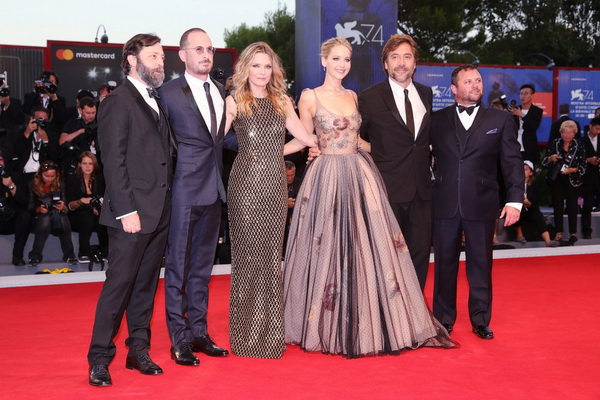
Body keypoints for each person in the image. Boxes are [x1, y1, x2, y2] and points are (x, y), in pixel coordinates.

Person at [283, 37, 454, 358]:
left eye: (346, 59)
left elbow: (360, 141)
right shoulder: (309, 97)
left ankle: (372, 315)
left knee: (365, 249)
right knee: (326, 247)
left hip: (361, 175)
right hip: (327, 178)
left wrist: (396, 153)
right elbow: (303, 137)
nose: (341, 64)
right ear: (324, 61)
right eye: (336, 59)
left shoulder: (352, 96)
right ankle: (324, 319)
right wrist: (269, 151)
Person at [87, 33, 174, 387]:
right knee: (118, 287)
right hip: (132, 214)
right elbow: (112, 161)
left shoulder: (157, 99)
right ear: (132, 60)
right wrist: (126, 211)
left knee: (145, 287)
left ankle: (138, 350)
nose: (161, 62)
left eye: (162, 57)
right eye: (154, 56)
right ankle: (98, 358)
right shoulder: (117, 102)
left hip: (160, 210)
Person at [223, 41, 316, 359]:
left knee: (271, 258)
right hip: (245, 187)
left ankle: (271, 334)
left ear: (273, 70)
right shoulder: (235, 100)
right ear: (245, 68)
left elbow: (304, 138)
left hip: (275, 187)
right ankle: (244, 336)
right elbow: (213, 136)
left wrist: (274, 150)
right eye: (256, 65)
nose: (262, 72)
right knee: (248, 259)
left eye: (267, 66)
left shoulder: (281, 102)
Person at [430, 64, 524, 340]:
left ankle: (481, 318)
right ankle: (443, 319)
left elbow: (512, 162)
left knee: (481, 264)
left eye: (478, 80)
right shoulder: (436, 120)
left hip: (482, 203)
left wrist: (515, 200)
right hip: (444, 202)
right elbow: (421, 155)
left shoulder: (500, 119)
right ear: (454, 89)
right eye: (468, 81)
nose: (475, 85)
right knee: (445, 263)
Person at [158, 27, 229, 367]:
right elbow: (161, 144)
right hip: (184, 190)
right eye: (198, 49)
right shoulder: (167, 93)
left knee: (202, 269)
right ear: (182, 55)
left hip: (214, 191)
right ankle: (179, 338)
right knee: (177, 269)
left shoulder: (221, 91)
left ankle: (199, 332)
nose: (206, 55)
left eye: (210, 49)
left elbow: (223, 141)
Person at [358, 34, 433, 291]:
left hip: (422, 190)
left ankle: (416, 314)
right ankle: (389, 317)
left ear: (415, 64)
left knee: (420, 253)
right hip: (386, 189)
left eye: (407, 57)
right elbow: (354, 138)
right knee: (387, 256)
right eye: (395, 57)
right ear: (386, 64)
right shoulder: (369, 97)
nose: (401, 63)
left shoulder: (426, 93)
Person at [542, 120, 586, 244]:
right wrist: (551, 158)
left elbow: (583, 165)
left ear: (574, 133)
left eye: (570, 133)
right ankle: (559, 232)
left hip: (573, 179)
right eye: (565, 133)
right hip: (557, 178)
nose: (567, 136)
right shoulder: (555, 143)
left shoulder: (579, 145)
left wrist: (573, 169)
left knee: (572, 206)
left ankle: (573, 233)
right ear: (561, 133)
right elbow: (545, 161)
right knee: (558, 206)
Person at [27, 161, 77, 266]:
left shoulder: (61, 184)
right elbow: (29, 207)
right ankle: (35, 255)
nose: (49, 179)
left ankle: (69, 255)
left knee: (63, 220)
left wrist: (63, 207)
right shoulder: (32, 184)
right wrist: (39, 209)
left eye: (52, 176)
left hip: (58, 216)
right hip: (39, 218)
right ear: (40, 174)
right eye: (46, 176)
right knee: (45, 220)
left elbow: (66, 208)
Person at [65, 151, 107, 262]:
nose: (87, 167)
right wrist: (80, 201)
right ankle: (83, 253)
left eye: (90, 164)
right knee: (86, 218)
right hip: (77, 214)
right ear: (79, 165)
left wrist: (97, 207)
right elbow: (70, 206)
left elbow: (104, 198)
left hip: (96, 212)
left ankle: (105, 253)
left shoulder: (100, 179)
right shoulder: (73, 179)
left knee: (103, 219)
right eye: (84, 164)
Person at [513, 160, 559, 247]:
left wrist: (528, 203)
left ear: (530, 173)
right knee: (516, 209)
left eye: (525, 169)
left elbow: (535, 204)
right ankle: (519, 235)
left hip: (530, 210)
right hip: (519, 210)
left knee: (538, 214)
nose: (522, 171)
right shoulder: (515, 185)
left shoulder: (535, 186)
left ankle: (548, 241)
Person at [0, 150, 31, 265]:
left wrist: (11, 185)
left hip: (10, 219)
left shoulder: (14, 176)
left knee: (25, 216)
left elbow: (23, 201)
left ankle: (17, 256)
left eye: (0, 160)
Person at [580, 117, 600, 239]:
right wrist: (588, 160)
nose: (598, 131)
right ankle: (586, 231)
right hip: (587, 177)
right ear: (591, 126)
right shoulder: (581, 141)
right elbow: (577, 159)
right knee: (587, 205)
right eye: (597, 128)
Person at [513, 83, 542, 163]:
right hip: (514, 148)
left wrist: (521, 115)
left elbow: (533, 127)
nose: (523, 96)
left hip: (529, 148)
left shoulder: (537, 111)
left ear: (532, 95)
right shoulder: (515, 109)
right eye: (521, 94)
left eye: (526, 93)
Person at [283, 160, 301, 249]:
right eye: (287, 176)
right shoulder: (274, 183)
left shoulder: (298, 182)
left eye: (292, 175)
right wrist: (284, 203)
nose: (290, 178)